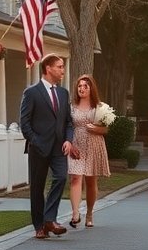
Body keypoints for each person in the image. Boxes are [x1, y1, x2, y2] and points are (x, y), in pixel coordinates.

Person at [20, 53, 79, 240]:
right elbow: (24, 123)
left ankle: (49, 219)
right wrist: (36, 141)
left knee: (61, 177)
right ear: (48, 68)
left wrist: (68, 140)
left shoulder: (63, 93)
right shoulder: (32, 93)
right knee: (37, 188)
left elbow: (68, 122)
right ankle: (40, 227)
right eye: (59, 67)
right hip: (38, 148)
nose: (63, 70)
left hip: (59, 147)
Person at [67, 74, 111, 229]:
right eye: (79, 86)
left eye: (85, 86)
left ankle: (90, 213)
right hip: (77, 144)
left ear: (91, 88)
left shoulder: (100, 107)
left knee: (91, 181)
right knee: (75, 178)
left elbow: (106, 129)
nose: (82, 89)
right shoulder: (72, 107)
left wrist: (96, 129)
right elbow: (67, 126)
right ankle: (75, 213)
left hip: (94, 144)